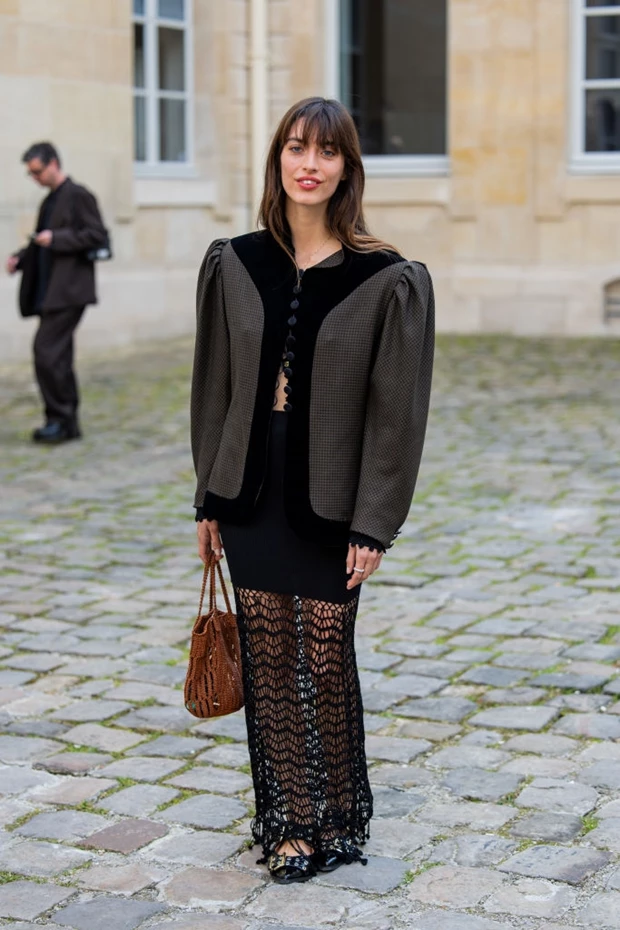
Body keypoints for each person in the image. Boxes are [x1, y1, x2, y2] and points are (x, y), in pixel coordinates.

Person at [190, 97, 434, 884]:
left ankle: (338, 812)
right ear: (278, 160)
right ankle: (290, 823)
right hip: (252, 494)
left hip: (333, 501)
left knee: (324, 658)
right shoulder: (234, 263)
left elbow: (396, 418)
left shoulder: (385, 279)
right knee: (268, 659)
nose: (309, 163)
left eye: (326, 152)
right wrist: (209, 500)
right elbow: (214, 392)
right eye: (296, 147)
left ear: (345, 169)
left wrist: (375, 523)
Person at [5, 142, 108, 443]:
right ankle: (66, 424)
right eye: (30, 174)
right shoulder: (50, 201)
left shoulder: (78, 195)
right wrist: (21, 258)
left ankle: (60, 418)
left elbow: (96, 235)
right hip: (51, 290)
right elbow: (41, 242)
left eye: (37, 171)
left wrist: (57, 238)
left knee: (46, 353)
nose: (34, 178)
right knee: (57, 356)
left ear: (53, 164)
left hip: (70, 290)